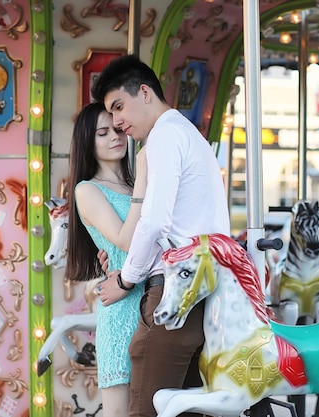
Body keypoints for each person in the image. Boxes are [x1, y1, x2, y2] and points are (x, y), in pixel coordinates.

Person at [91, 54, 230, 417]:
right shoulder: (189, 136)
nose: (118, 123)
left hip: (172, 293)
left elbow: (154, 222)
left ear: (145, 92)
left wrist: (125, 277)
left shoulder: (165, 135)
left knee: (144, 410)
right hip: (198, 294)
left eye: (119, 107)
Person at [64, 101, 148, 417]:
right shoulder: (88, 190)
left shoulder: (132, 185)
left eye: (118, 128)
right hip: (122, 307)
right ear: (88, 141)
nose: (115, 136)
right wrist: (144, 182)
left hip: (152, 299)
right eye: (103, 132)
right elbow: (126, 239)